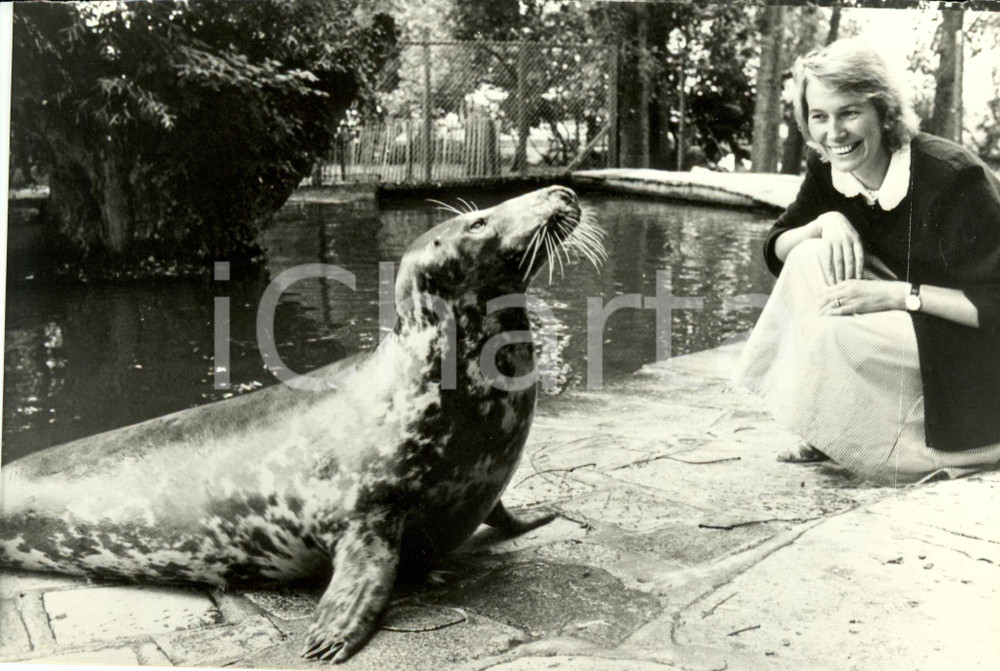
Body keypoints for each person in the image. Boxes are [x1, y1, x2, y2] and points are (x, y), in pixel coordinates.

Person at [734, 38, 1000, 485]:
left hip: (974, 347)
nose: (834, 133)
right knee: (809, 256)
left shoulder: (952, 176)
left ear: (884, 111)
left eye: (850, 113)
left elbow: (994, 306)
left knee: (835, 333)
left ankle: (958, 443)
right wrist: (824, 222)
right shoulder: (829, 167)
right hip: (915, 324)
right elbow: (776, 248)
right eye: (819, 116)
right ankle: (826, 426)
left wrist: (897, 296)